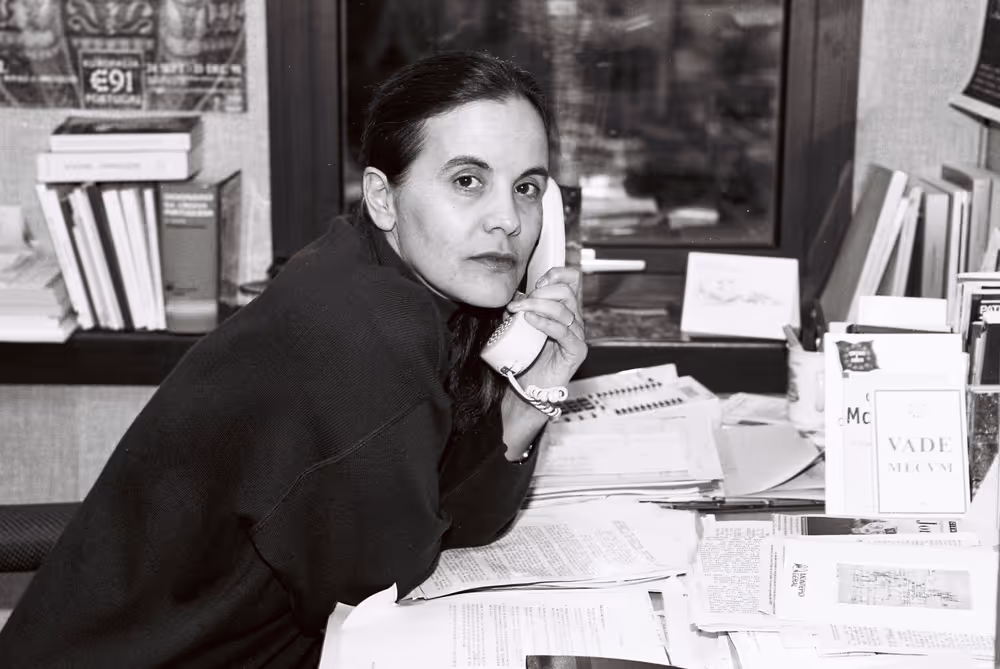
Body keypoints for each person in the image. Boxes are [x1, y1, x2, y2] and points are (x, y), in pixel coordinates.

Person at [0, 50, 587, 668]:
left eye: (526, 188)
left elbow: (442, 523)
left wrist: (526, 404)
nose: (508, 222)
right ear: (383, 199)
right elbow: (382, 595)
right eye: (467, 181)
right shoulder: (361, 335)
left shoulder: (393, 282)